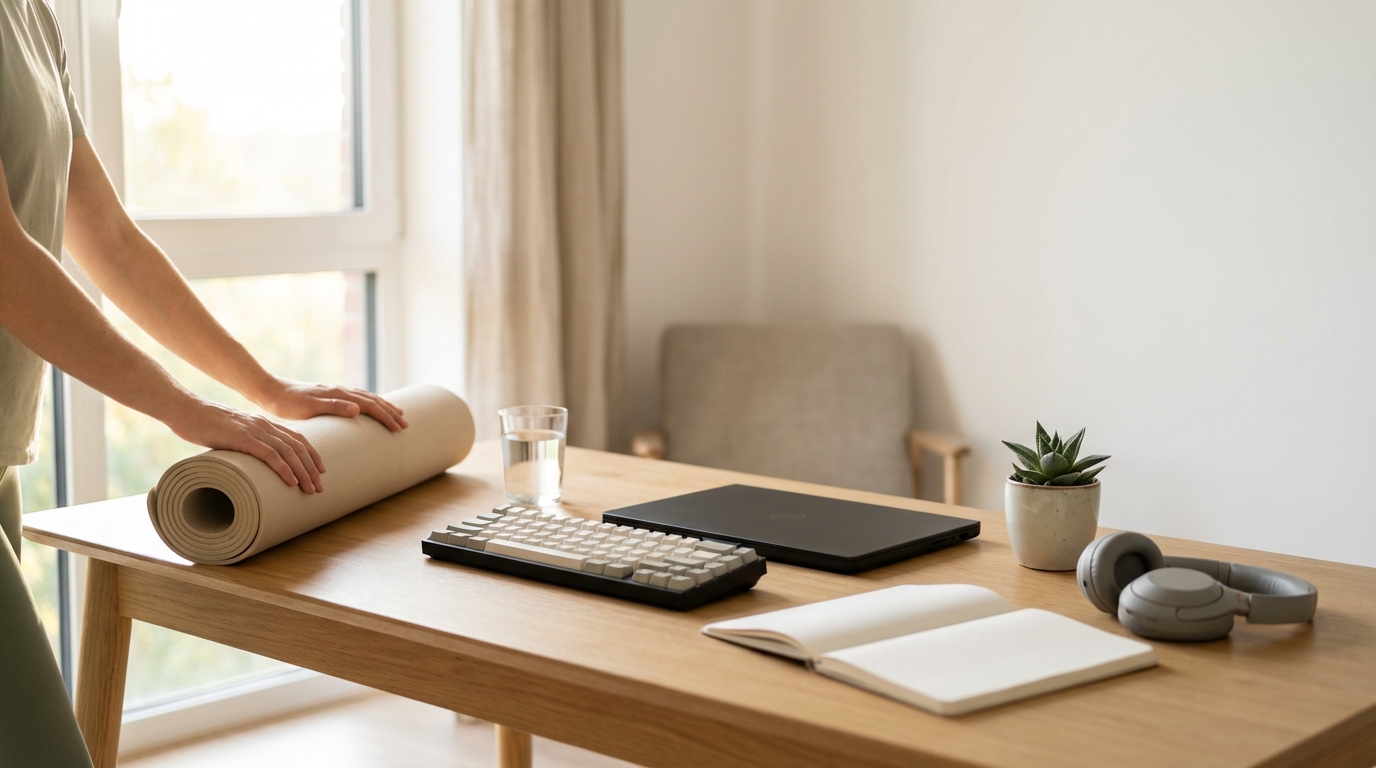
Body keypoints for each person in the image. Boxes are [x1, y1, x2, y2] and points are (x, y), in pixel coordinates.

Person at [0, 2, 406, 764]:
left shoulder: (32, 17)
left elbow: (111, 242)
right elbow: (6, 260)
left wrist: (267, 389)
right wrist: (185, 410)